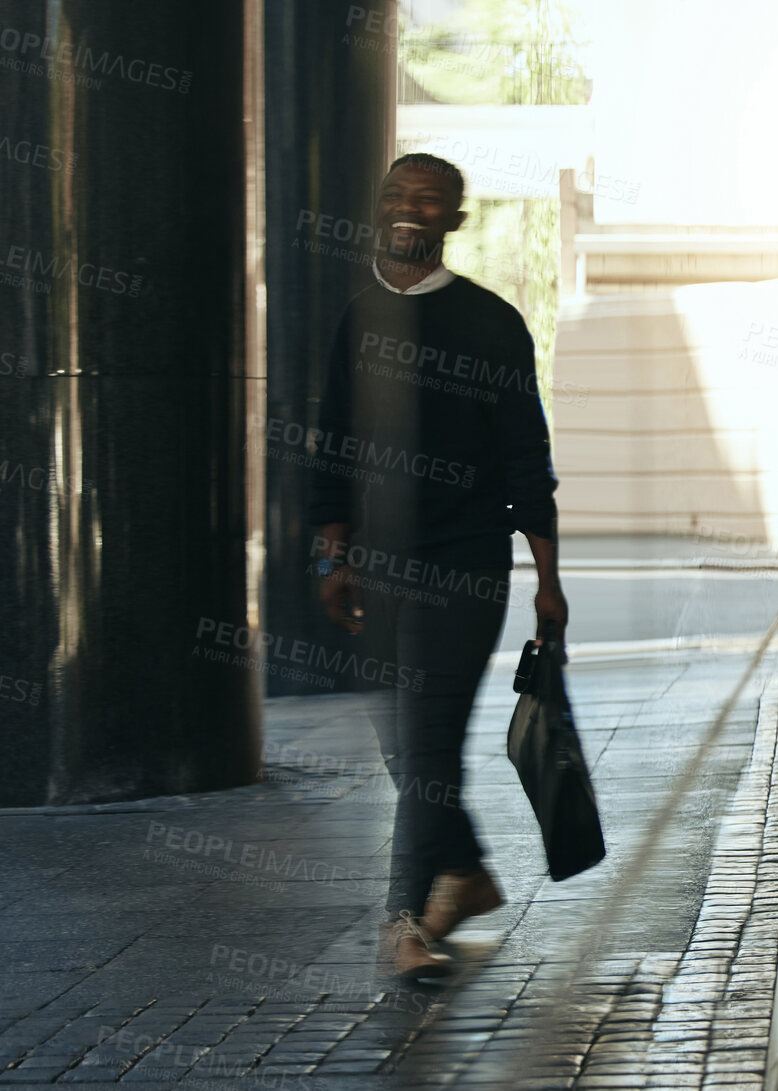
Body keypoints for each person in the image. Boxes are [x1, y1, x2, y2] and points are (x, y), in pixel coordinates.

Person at [308, 153, 568, 980]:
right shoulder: (358, 318)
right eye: (397, 195)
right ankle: (463, 873)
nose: (411, 209)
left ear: (455, 220)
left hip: (463, 570)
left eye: (431, 200)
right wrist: (332, 555)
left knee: (426, 748)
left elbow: (529, 462)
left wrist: (548, 579)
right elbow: (333, 448)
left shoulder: (491, 324)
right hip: (377, 569)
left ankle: (403, 923)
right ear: (379, 210)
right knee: (402, 747)